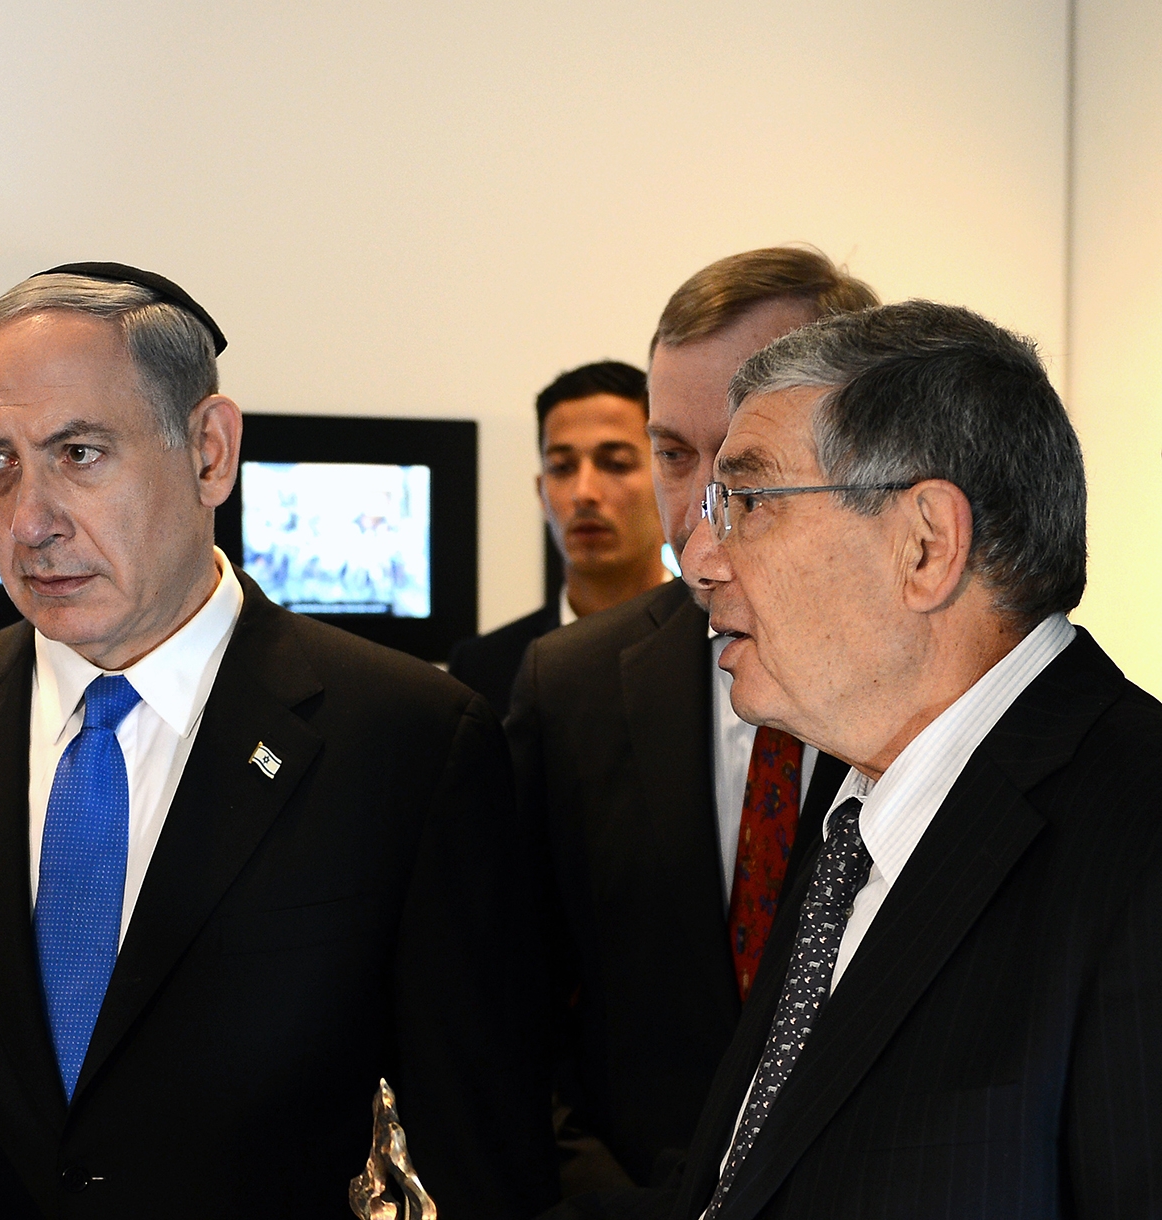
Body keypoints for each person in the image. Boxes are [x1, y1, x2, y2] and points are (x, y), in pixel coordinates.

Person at [0, 264, 555, 1218]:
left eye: (79, 453)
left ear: (210, 450)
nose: (29, 522)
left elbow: (482, 1149)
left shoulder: (407, 741)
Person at [645, 300, 1161, 1217]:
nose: (698, 560)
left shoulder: (1138, 839)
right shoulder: (856, 815)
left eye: (748, 502)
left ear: (926, 544)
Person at [506, 248, 874, 1191]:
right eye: (674, 454)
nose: (702, 510)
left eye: (747, 462)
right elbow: (508, 1023)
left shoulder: (930, 698)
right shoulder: (571, 685)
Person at [448, 361, 669, 712]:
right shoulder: (484, 667)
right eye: (562, 468)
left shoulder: (712, 647)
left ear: (666, 480)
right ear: (541, 491)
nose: (584, 492)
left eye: (615, 463)